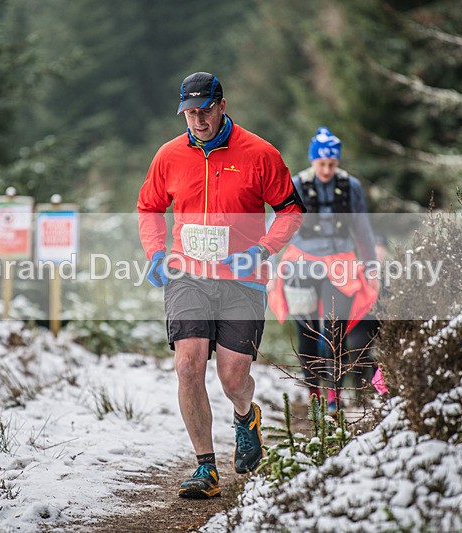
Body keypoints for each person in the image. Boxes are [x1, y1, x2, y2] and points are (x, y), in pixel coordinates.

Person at [137, 72, 304, 499]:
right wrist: (156, 252)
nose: (198, 120)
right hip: (187, 275)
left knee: (233, 378)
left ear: (222, 105)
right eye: (190, 113)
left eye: (205, 110)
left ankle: (246, 415)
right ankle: (205, 467)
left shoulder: (260, 153)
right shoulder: (170, 155)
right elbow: (149, 207)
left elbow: (290, 210)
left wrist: (263, 250)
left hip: (242, 280)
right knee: (188, 366)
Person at [267, 126, 380, 413]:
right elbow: (276, 226)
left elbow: (362, 230)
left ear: (338, 161)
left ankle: (335, 393)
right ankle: (314, 391)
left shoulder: (350, 186)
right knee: (306, 329)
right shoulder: (297, 185)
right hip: (302, 264)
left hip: (341, 264)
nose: (327, 169)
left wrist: (370, 267)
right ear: (313, 160)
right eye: (322, 163)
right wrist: (268, 266)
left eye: (332, 163)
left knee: (335, 330)